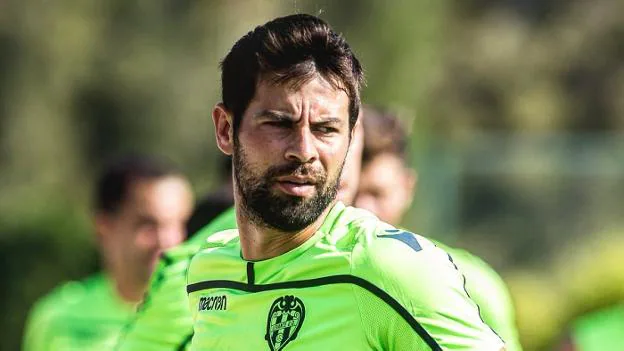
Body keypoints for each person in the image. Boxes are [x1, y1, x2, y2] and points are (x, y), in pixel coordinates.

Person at [186, 14, 505, 350]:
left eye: (325, 129)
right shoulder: (208, 272)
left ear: (352, 140)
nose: (304, 151)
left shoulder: (390, 269)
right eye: (279, 124)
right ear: (225, 129)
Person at [114, 107, 364, 351]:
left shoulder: (373, 256)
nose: (309, 150)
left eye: (329, 129)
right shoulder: (209, 260)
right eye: (282, 125)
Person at [355, 105, 523, 351]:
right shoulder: (301, 273)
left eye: (376, 193)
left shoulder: (473, 285)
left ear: (407, 188)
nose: (362, 208)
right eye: (352, 192)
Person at [23, 154, 194, 351]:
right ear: (104, 228)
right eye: (147, 224)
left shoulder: (206, 311)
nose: (168, 240)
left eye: (180, 224)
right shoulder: (56, 319)